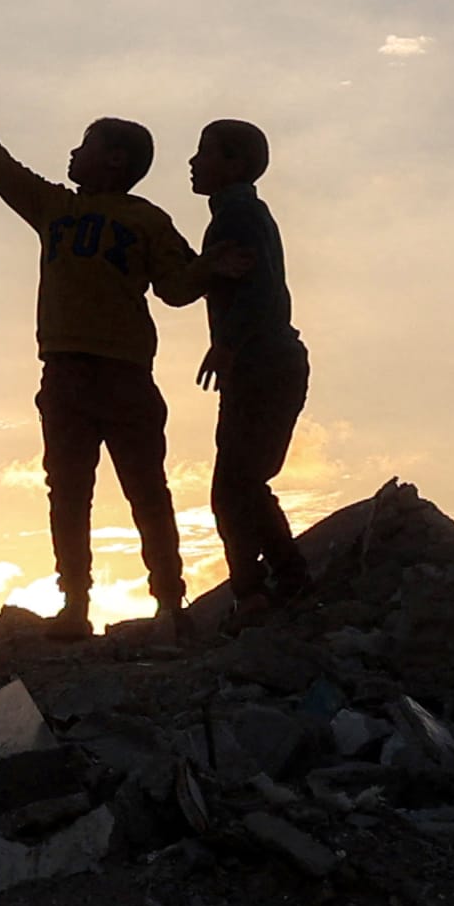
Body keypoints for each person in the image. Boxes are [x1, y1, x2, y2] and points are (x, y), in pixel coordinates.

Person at [0, 61, 218, 641]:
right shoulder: (53, 208)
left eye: (85, 145)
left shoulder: (146, 221)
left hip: (126, 375)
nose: (72, 153)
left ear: (114, 159)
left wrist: (215, 267)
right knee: (68, 491)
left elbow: (177, 288)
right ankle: (75, 605)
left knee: (146, 490)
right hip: (63, 373)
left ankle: (169, 601)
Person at [187, 119, 312, 625]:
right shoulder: (242, 214)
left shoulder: (237, 214)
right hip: (270, 361)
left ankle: (259, 593)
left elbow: (260, 291)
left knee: (234, 487)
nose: (193, 162)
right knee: (244, 483)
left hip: (263, 363)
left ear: (234, 164)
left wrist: (229, 344)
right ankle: (284, 583)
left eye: (205, 152)